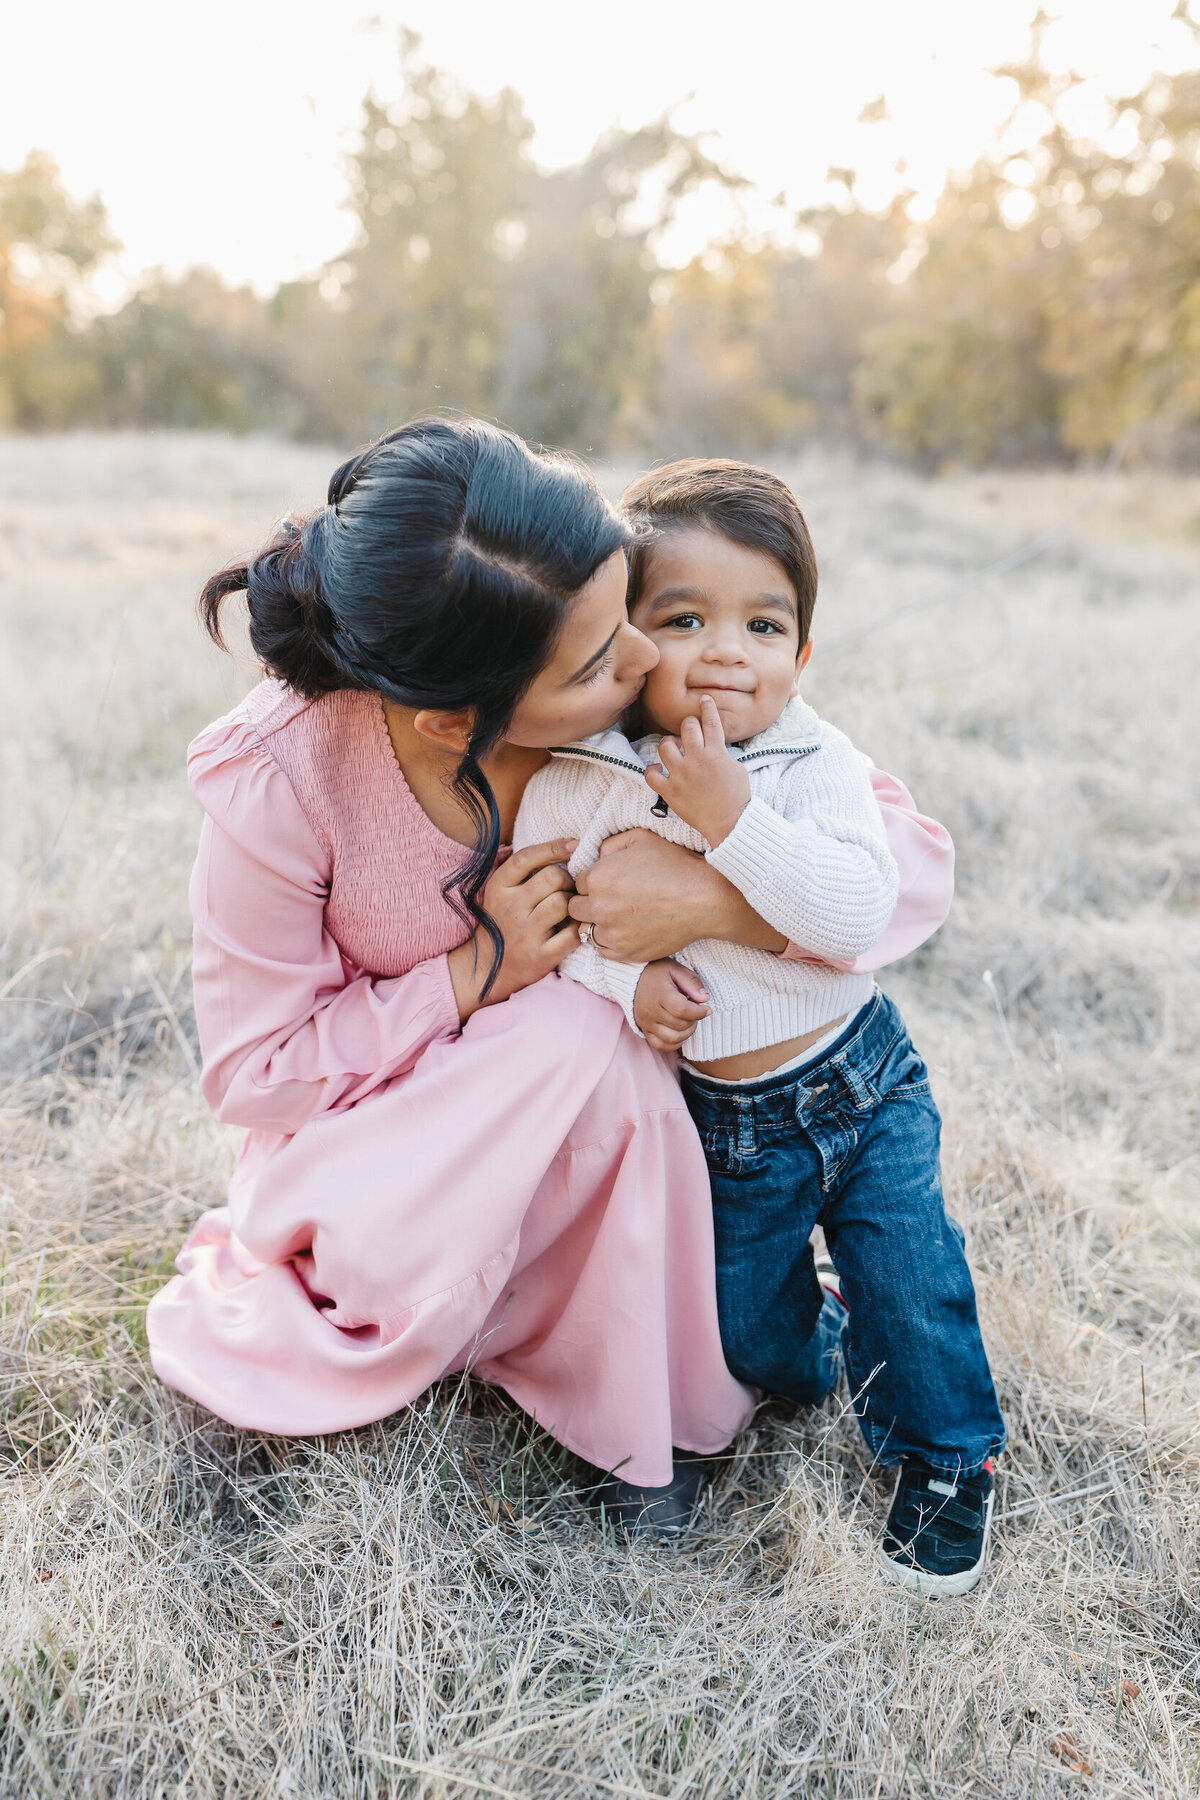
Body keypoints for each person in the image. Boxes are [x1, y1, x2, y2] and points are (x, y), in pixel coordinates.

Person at [147, 418, 956, 1539]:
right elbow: (255, 1073)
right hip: (388, 1163)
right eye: (594, 663)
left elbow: (910, 871)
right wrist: (476, 971)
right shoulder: (286, 775)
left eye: (632, 608)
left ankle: (629, 1411)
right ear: (455, 719)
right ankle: (507, 1329)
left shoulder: (627, 651)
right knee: (573, 1021)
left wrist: (711, 899)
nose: (643, 659)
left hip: (607, 1156)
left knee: (596, 1033)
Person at [513, 459, 1006, 1589]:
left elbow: (855, 910)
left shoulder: (812, 762)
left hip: (861, 1079)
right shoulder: (585, 780)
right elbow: (560, 933)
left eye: (764, 624)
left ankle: (947, 1462)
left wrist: (731, 821)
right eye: (685, 618)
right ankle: (829, 1335)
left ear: (803, 656)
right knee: (753, 1339)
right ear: (622, 646)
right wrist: (621, 987)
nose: (728, 650)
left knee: (913, 1278)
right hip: (728, 1125)